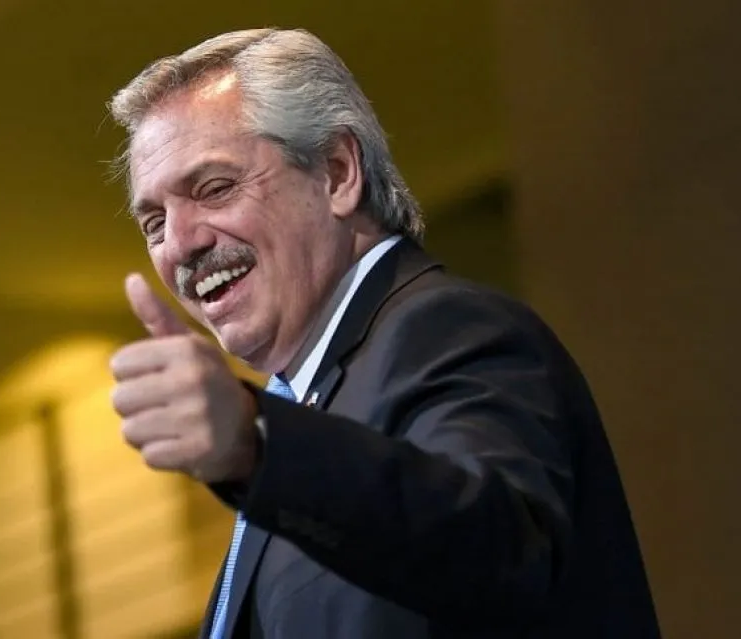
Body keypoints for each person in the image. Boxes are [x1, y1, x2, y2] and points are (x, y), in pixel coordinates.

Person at [106, 28, 661, 639]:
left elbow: (497, 551)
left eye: (214, 188)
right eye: (154, 223)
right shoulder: (309, 403)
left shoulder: (444, 329)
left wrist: (255, 441)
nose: (180, 244)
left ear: (338, 173)